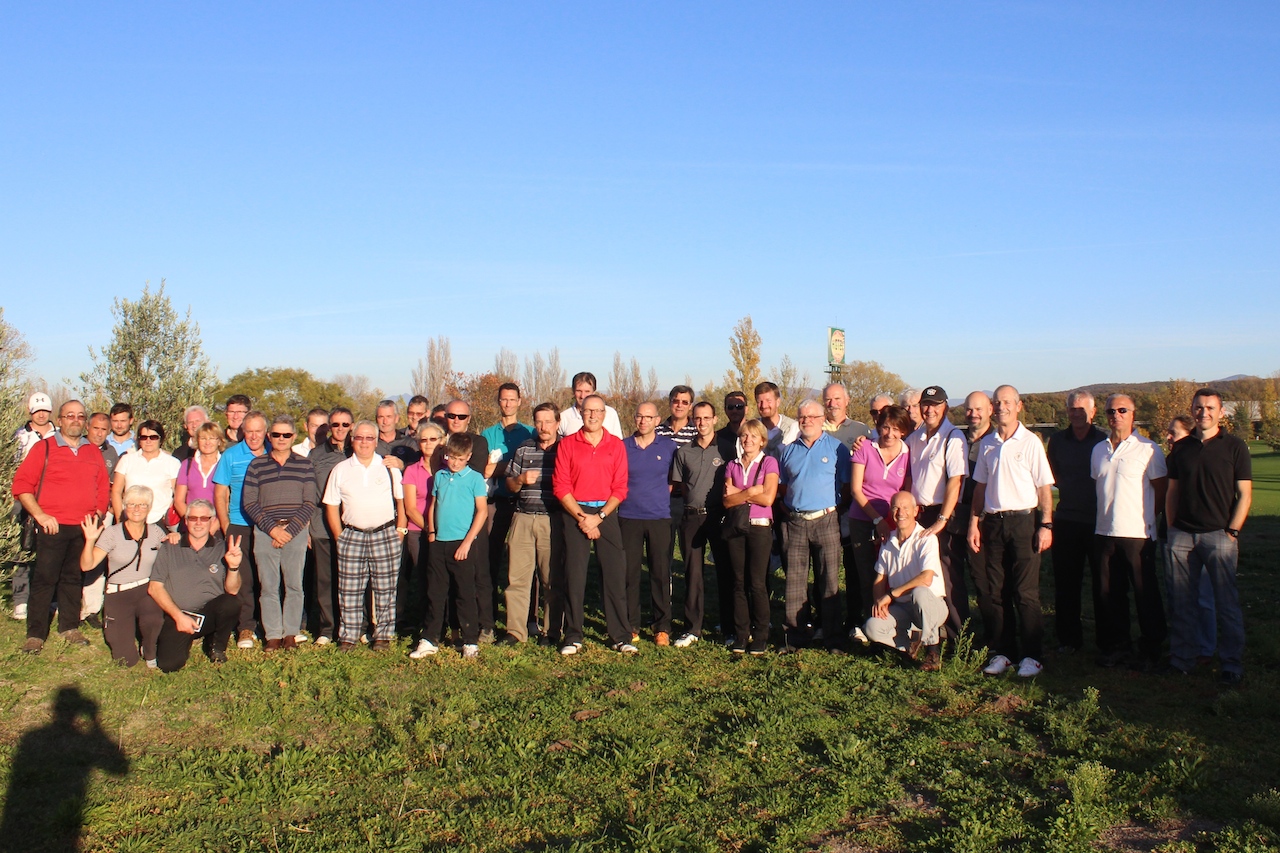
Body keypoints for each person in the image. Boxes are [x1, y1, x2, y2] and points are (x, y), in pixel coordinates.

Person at [967, 385, 1055, 678]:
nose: (1002, 406)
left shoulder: (1030, 442)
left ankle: (1032, 656)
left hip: (1023, 523)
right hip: (993, 523)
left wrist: (1046, 524)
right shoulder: (988, 444)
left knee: (1025, 592)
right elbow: (980, 486)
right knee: (996, 591)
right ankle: (1004, 652)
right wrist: (974, 522)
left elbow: (1044, 487)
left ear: (1019, 406)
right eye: (997, 402)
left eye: (1007, 402)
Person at [1165, 388, 1252, 685]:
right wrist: (1172, 526)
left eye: (1210, 407)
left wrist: (1232, 531)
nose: (1204, 412)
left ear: (1221, 411)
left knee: (1225, 603)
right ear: (1192, 410)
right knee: (1181, 602)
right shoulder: (1182, 448)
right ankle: (1182, 659)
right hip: (1182, 536)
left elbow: (1244, 494)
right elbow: (1172, 491)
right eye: (1199, 407)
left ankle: (1230, 662)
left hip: (1219, 536)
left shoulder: (1235, 447)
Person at [12, 401, 110, 653]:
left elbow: (102, 487)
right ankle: (35, 634)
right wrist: (41, 515)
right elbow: (22, 485)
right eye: (70, 416)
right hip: (52, 527)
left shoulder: (92, 452)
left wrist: (97, 516)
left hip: (83, 527)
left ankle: (69, 626)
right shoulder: (44, 448)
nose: (75, 420)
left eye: (80, 416)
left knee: (73, 578)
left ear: (85, 421)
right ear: (61, 419)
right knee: (45, 579)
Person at [1091, 394, 1167, 670]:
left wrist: (1147, 519)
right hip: (1104, 532)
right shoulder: (1099, 450)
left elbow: (1161, 491)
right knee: (1109, 594)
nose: (1116, 415)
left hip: (1138, 534)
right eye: (1111, 411)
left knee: (1145, 594)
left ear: (1133, 414)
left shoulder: (1148, 449)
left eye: (1122, 410)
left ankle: (1151, 648)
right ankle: (1116, 646)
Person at [553, 393, 632, 654]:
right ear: (581, 413)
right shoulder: (567, 444)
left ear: (605, 414)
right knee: (574, 577)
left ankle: (620, 635)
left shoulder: (615, 445)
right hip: (575, 512)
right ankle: (573, 635)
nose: (593, 415)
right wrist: (582, 517)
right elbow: (561, 486)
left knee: (614, 575)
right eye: (588, 411)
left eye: (598, 411)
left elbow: (620, 487)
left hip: (605, 513)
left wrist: (598, 518)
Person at [322, 420, 407, 651]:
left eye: (370, 438)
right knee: (349, 588)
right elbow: (331, 505)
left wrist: (400, 530)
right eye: (360, 437)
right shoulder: (341, 469)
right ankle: (348, 636)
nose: (364, 442)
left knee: (386, 588)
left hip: (385, 533)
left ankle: (383, 636)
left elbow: (401, 501)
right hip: (352, 535)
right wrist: (340, 536)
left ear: (376, 441)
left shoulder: (389, 468)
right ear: (352, 440)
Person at [777, 399, 850, 651]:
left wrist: (835, 510)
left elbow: (847, 486)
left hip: (826, 520)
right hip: (795, 522)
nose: (806, 421)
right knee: (795, 582)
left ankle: (832, 638)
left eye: (811, 417)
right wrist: (787, 509)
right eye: (802, 417)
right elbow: (783, 485)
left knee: (828, 580)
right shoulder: (788, 450)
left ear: (822, 419)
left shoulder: (837, 448)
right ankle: (795, 638)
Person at [241, 414, 317, 651]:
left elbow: (309, 502)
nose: (281, 438)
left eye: (286, 434)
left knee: (294, 585)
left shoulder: (304, 464)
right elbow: (250, 502)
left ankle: (291, 633)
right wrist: (273, 530)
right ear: (269, 436)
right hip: (265, 532)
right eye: (276, 434)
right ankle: (273, 634)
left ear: (293, 437)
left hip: (295, 532)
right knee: (268, 586)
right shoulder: (257, 465)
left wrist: (289, 531)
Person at [410, 433, 488, 659]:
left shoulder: (474, 479)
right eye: (451, 457)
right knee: (435, 592)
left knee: (464, 593)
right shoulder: (440, 476)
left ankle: (470, 640)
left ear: (468, 457)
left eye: (460, 458)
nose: (454, 462)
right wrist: (432, 532)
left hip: (462, 544)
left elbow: (481, 511)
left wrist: (467, 542)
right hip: (439, 542)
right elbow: (434, 504)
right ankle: (429, 638)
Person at [1046, 390, 1108, 654]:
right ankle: (1069, 640)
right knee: (1066, 585)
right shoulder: (1058, 441)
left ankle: (1107, 640)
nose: (1076, 413)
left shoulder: (1104, 439)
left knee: (1104, 584)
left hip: (1100, 523)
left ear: (1093, 412)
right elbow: (1053, 476)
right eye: (1072, 408)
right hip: (1067, 520)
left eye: (1082, 409)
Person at [147, 500, 244, 671]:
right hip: (179, 615)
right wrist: (178, 617)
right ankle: (187, 637)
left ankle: (216, 645)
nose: (198, 523)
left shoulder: (222, 548)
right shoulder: (170, 547)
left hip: (209, 613)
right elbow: (154, 587)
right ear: (186, 521)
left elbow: (233, 590)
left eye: (204, 518)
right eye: (193, 518)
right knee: (169, 665)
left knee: (231, 603)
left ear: (213, 521)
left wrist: (233, 567)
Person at [79, 486, 169, 667]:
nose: (137, 509)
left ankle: (149, 648)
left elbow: (170, 560)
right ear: (124, 507)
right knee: (125, 661)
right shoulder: (112, 533)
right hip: (118, 593)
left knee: (154, 620)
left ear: (149, 508)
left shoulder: (157, 533)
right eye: (132, 504)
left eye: (142, 505)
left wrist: (174, 537)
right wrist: (89, 541)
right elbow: (86, 565)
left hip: (146, 590)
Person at [905, 386, 969, 639]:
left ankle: (957, 636)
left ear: (946, 407)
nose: (929, 410)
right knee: (920, 573)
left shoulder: (953, 437)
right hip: (920, 514)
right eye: (926, 404)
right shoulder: (916, 437)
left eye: (935, 405)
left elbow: (955, 481)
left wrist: (942, 519)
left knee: (948, 576)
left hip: (944, 514)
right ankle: (927, 631)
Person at [864, 491, 948, 671]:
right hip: (902, 608)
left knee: (920, 592)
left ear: (916, 511)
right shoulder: (888, 541)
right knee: (872, 627)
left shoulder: (927, 539)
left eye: (905, 508)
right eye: (895, 507)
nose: (900, 512)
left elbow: (926, 579)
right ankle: (906, 648)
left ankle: (932, 651)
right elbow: (880, 578)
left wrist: (891, 594)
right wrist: (880, 604)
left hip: (930, 606)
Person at [503, 402, 564, 645]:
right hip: (523, 517)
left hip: (552, 519)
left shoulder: (565, 449)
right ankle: (515, 632)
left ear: (558, 423)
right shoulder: (524, 449)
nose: (543, 426)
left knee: (552, 579)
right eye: (539, 421)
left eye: (549, 421)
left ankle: (551, 632)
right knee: (517, 579)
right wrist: (519, 479)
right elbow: (509, 485)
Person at [847, 405, 913, 628]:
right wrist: (877, 520)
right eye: (885, 427)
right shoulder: (865, 447)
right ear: (878, 426)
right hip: (863, 520)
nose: (890, 434)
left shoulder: (908, 453)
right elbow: (856, 489)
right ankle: (870, 622)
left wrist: (890, 522)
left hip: (894, 521)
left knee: (893, 573)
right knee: (867, 575)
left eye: (896, 429)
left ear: (903, 431)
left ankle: (894, 622)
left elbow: (906, 491)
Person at [670, 401, 728, 648]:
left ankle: (729, 626)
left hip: (719, 517)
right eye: (698, 418)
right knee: (692, 573)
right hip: (691, 517)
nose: (702, 422)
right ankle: (693, 627)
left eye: (706, 418)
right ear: (693, 421)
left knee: (725, 572)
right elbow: (679, 486)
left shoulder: (727, 450)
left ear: (715, 419)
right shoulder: (684, 452)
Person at [618, 403, 677, 645]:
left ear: (657, 420)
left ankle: (661, 626)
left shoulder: (668, 446)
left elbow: (674, 481)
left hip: (659, 517)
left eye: (648, 417)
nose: (643, 421)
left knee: (660, 573)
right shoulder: (623, 446)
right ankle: (631, 624)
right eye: (640, 416)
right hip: (629, 516)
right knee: (630, 573)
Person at [441, 399, 495, 642]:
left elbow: (472, 471)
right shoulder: (438, 439)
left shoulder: (478, 442)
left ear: (469, 419)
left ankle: (485, 624)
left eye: (461, 416)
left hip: (473, 518)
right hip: (446, 522)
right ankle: (452, 624)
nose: (456, 420)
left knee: (479, 573)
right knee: (448, 576)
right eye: (451, 415)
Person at [723, 419, 779, 654]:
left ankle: (761, 634)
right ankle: (741, 633)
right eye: (744, 436)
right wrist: (751, 491)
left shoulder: (769, 463)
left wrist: (740, 493)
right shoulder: (732, 466)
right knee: (738, 582)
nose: (748, 440)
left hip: (759, 527)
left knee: (756, 583)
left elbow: (768, 499)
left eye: (753, 436)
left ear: (762, 441)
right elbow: (726, 500)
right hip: (737, 527)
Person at [481, 382, 534, 628]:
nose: (508, 404)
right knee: (490, 558)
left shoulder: (530, 432)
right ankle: (488, 615)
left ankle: (529, 618)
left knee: (525, 562)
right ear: (498, 401)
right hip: (495, 503)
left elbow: (531, 467)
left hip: (524, 503)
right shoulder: (488, 434)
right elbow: (483, 469)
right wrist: (512, 468)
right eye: (504, 399)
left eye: (512, 399)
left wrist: (500, 468)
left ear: (520, 401)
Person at [213, 410, 268, 649]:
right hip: (239, 523)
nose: (254, 436)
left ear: (265, 432)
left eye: (258, 431)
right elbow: (221, 492)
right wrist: (226, 525)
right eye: (249, 431)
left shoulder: (274, 452)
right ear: (242, 431)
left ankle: (269, 626)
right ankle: (245, 626)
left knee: (267, 577)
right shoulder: (231, 455)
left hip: (268, 526)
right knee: (243, 577)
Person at [1165, 414, 1215, 662]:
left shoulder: (1200, 457)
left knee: (1203, 595)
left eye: (1174, 432)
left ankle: (1206, 646)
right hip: (1176, 532)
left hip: (1203, 532)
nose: (1168, 437)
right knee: (1177, 593)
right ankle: (1183, 642)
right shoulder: (1171, 458)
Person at [306, 407, 354, 645]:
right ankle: (327, 629)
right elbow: (307, 493)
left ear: (351, 427)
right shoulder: (315, 455)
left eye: (345, 425)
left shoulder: (358, 452)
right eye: (336, 425)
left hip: (353, 526)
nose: (340, 429)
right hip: (321, 525)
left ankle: (352, 626)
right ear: (329, 427)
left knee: (352, 579)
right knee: (324, 579)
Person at [400, 420, 444, 630]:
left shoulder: (448, 467)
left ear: (442, 441)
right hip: (419, 531)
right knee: (425, 577)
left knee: (444, 577)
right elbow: (410, 508)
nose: (428, 444)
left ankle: (446, 620)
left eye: (433, 439)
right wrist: (430, 528)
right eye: (423, 440)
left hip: (447, 531)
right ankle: (426, 622)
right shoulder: (411, 471)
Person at [111, 420, 180, 528]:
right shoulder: (127, 460)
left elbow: (178, 494)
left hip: (159, 521)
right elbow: (116, 491)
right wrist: (121, 518)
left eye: (153, 437)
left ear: (160, 439)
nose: (148, 441)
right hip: (130, 520)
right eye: (144, 437)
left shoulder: (172, 463)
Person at [173, 422, 223, 520]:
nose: (207, 442)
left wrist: (212, 527)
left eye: (212, 438)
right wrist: (192, 522)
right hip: (191, 524)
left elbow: (227, 503)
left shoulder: (225, 465)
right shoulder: (187, 464)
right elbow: (179, 501)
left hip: (217, 526)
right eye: (203, 438)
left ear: (219, 441)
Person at [559, 371, 624, 438]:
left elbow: (618, 442)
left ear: (594, 392)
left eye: (587, 391)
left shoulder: (610, 413)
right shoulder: (563, 417)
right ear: (573, 391)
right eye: (579, 391)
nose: (582, 396)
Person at [822, 383, 873, 449]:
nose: (832, 404)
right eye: (828, 399)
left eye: (837, 399)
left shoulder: (861, 429)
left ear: (847, 401)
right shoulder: (815, 429)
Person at [754, 382, 799, 456]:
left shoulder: (793, 428)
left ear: (778, 402)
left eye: (768, 401)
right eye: (759, 402)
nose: (764, 405)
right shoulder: (752, 429)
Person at [14, 392, 56, 461]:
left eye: (45, 410)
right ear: (29, 410)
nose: (41, 415)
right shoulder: (19, 435)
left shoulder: (61, 434)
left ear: (51, 410)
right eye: (37, 411)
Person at [715, 391, 749, 460]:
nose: (734, 411)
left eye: (739, 407)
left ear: (746, 409)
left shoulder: (757, 434)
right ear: (725, 410)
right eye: (730, 407)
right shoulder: (717, 437)